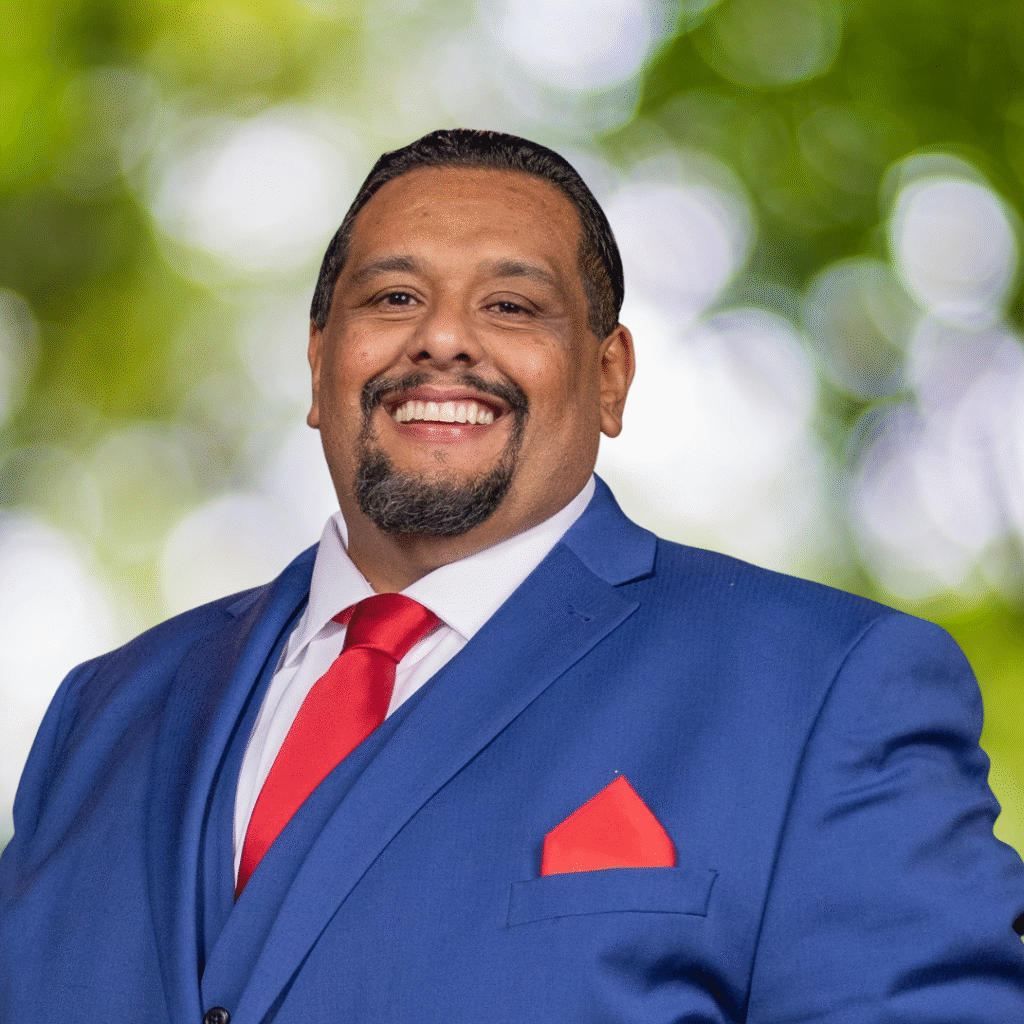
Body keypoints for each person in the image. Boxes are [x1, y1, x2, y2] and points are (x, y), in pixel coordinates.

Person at [1, 128, 1023, 1023]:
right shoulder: (102, 714)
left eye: (512, 304)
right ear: (319, 361)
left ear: (610, 375)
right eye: (394, 296)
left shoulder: (823, 691)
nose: (443, 337)